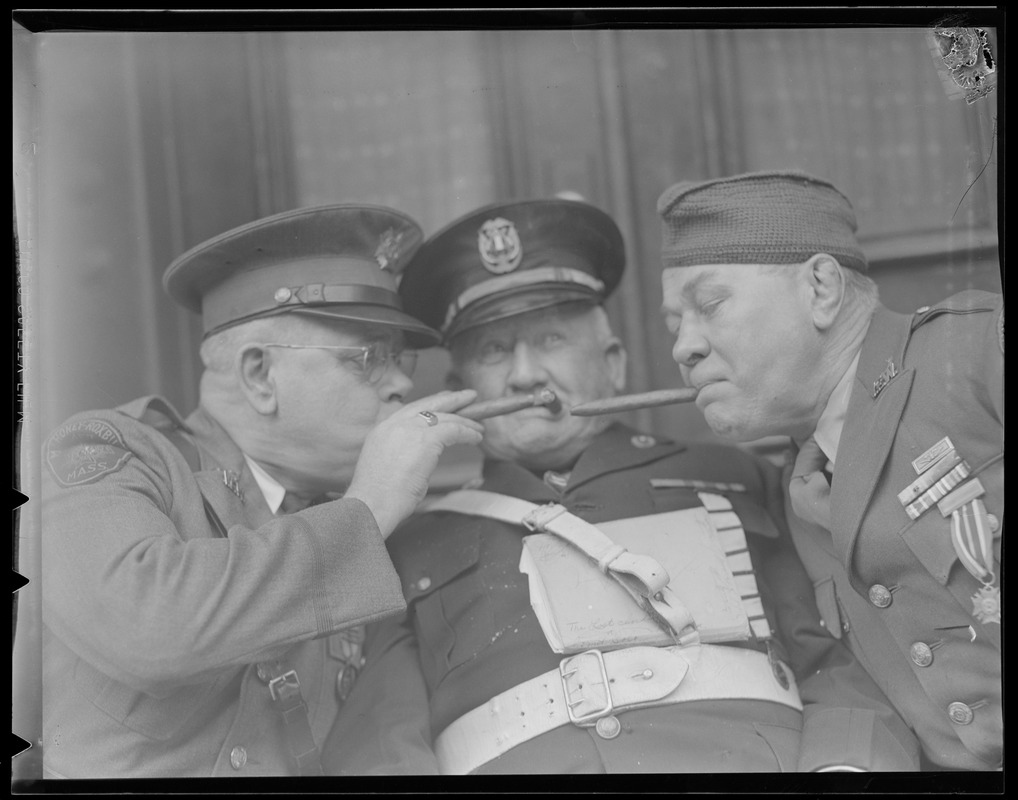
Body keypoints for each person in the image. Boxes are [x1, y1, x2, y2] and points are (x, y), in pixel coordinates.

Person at [322, 198, 920, 774]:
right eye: (496, 350)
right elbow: (380, 739)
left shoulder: (739, 478)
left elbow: (837, 663)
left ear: (613, 363)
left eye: (552, 340)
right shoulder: (409, 541)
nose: (527, 373)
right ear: (461, 385)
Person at [38, 204, 484, 778]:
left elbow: (385, 755)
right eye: (370, 358)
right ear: (259, 376)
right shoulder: (114, 453)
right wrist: (368, 508)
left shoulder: (364, 550)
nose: (401, 383)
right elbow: (150, 628)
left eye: (401, 359)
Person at [656, 170, 1002, 771]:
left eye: (709, 306)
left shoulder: (980, 351)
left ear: (821, 288)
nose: (684, 347)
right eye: (673, 326)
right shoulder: (805, 488)